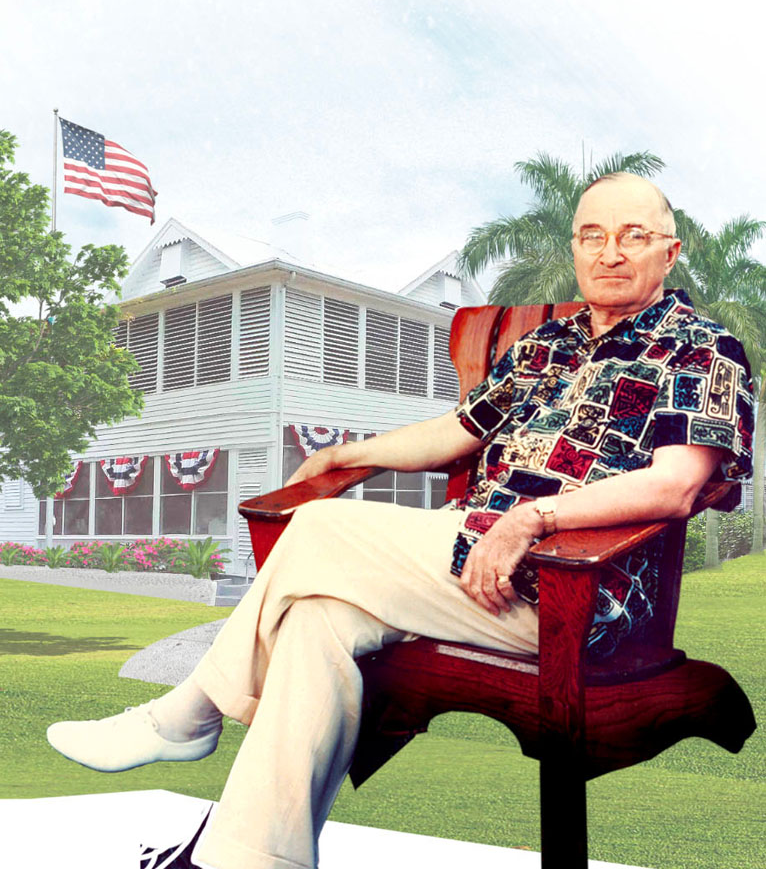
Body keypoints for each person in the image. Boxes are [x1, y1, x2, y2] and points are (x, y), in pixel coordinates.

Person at [47, 172, 753, 869]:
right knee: (315, 620)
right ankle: (251, 859)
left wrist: (534, 519)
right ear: (575, 247)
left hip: (581, 594)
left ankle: (190, 715)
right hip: (467, 565)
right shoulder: (550, 346)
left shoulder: (702, 349)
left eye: (634, 236)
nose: (610, 252)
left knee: (320, 528)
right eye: (592, 236)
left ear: (671, 251)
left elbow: (676, 485)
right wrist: (344, 455)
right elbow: (455, 432)